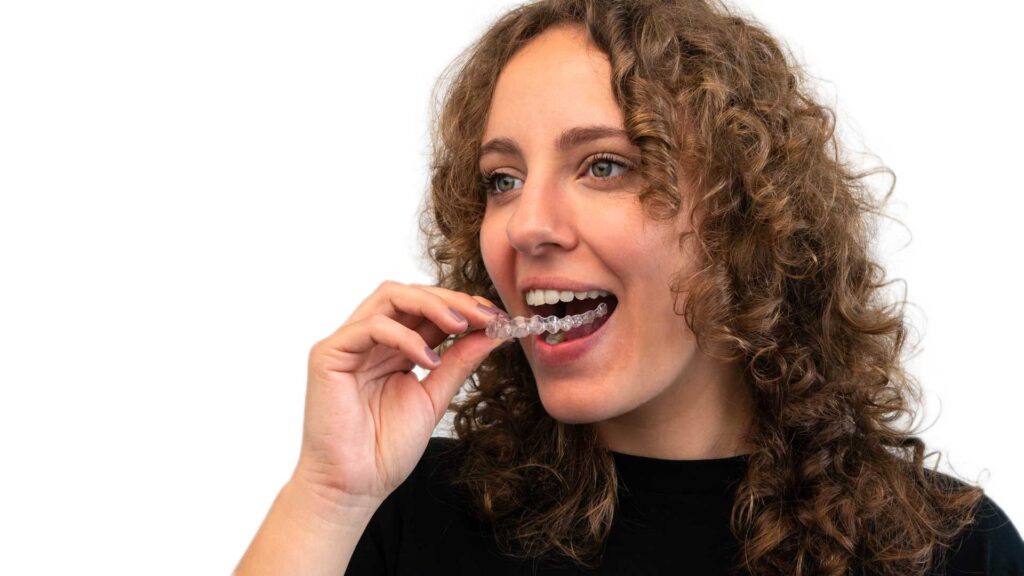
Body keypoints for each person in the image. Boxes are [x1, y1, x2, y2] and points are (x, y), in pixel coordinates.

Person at [233, 0, 1024, 574]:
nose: (524, 226)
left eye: (604, 165)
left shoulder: (946, 550)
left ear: (743, 214)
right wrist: (329, 495)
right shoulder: (406, 513)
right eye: (502, 179)